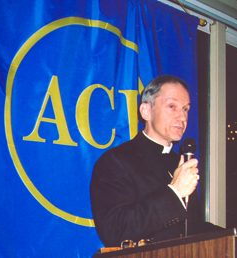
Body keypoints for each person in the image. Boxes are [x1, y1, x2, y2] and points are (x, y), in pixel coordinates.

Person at [90, 75, 222, 247]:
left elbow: (192, 228)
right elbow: (116, 231)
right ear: (146, 111)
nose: (182, 117)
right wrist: (175, 192)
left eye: (185, 109)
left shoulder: (179, 162)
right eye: (172, 107)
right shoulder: (116, 161)